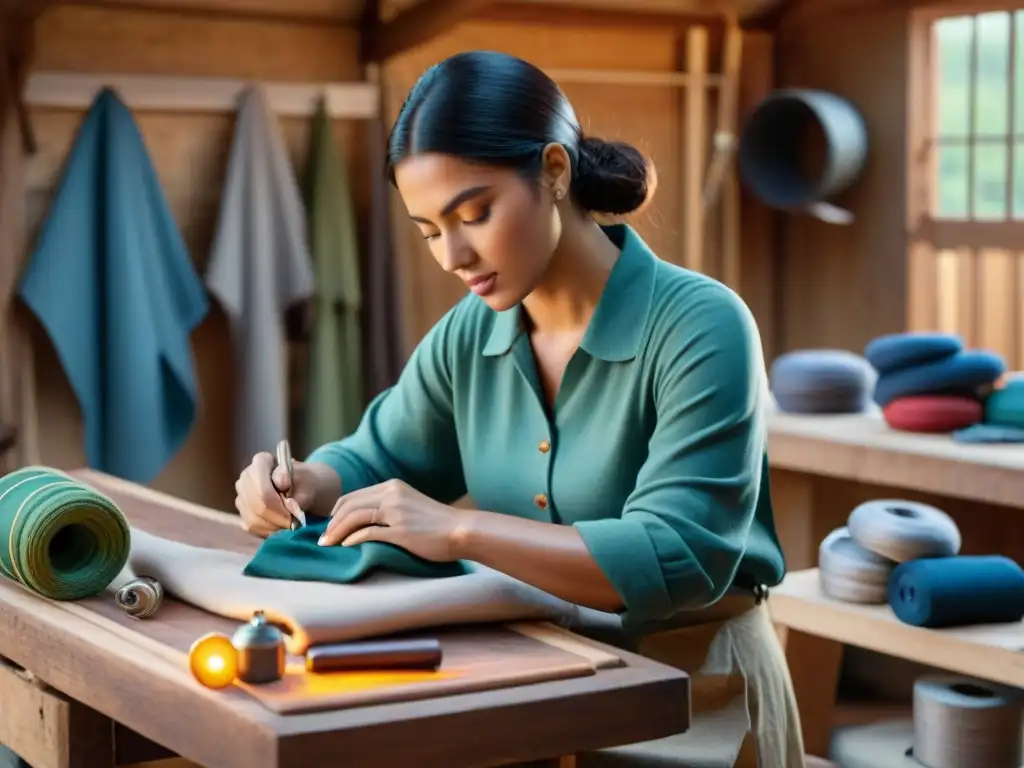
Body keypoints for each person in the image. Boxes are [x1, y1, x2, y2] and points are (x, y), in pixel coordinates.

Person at [235, 50, 804, 768]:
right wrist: (312, 483)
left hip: (700, 701)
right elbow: (381, 456)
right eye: (430, 230)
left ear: (556, 172)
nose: (453, 256)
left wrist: (461, 530)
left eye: (474, 214)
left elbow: (679, 552)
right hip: (537, 688)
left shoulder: (701, 325)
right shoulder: (470, 334)